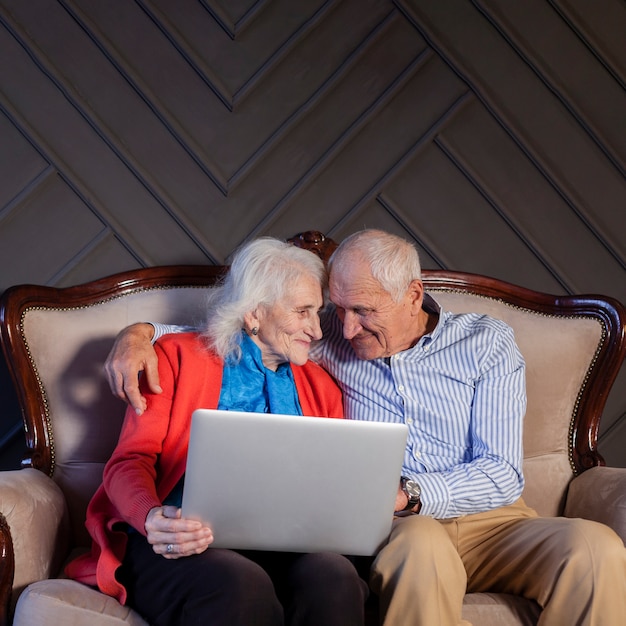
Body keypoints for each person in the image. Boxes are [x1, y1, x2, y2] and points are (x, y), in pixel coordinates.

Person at [104, 229, 626, 626]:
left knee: (597, 548)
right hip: (387, 528)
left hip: (481, 514)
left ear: (414, 295)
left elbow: (502, 472)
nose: (339, 327)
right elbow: (214, 337)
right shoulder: (303, 346)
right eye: (327, 310)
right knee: (403, 552)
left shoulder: (478, 344)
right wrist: (136, 333)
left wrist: (407, 493)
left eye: (360, 311)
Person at [66, 237, 368, 626]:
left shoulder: (321, 386)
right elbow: (129, 462)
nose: (316, 330)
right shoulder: (176, 359)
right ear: (254, 314)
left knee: (336, 577)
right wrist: (151, 516)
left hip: (286, 545)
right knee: (240, 582)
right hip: (179, 542)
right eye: (302, 312)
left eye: (318, 312)